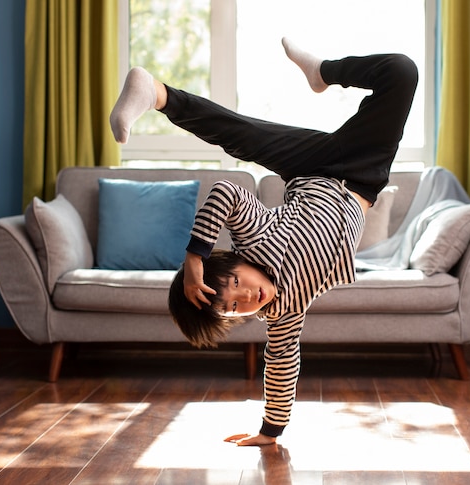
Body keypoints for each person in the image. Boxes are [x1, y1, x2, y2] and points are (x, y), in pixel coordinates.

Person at [109, 38, 418, 446]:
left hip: (313, 167)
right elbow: (282, 365)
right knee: (402, 74)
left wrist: (196, 256)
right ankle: (316, 75)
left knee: (243, 135)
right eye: (234, 308)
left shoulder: (255, 240)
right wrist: (270, 432)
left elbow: (227, 192)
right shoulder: (282, 311)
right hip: (362, 177)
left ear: (237, 261)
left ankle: (160, 93)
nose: (248, 297)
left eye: (236, 284)